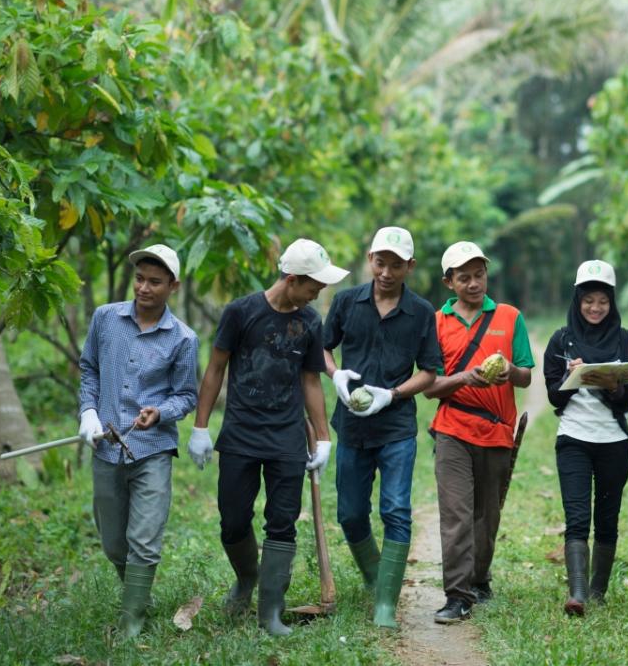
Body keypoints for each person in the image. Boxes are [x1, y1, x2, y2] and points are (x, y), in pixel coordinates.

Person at [187, 238, 348, 636]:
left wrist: (323, 437)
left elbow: (310, 380)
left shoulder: (310, 321)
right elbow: (215, 369)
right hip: (240, 433)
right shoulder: (241, 312)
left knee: (282, 522)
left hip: (286, 438)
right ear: (292, 279)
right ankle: (246, 579)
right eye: (314, 285)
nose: (319, 292)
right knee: (233, 520)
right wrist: (200, 427)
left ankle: (270, 613)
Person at [77, 244, 199, 639]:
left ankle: (132, 620)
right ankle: (138, 593)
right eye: (140, 279)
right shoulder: (105, 319)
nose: (144, 288)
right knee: (114, 543)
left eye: (155, 282)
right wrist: (88, 412)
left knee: (143, 539)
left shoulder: (182, 338)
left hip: (153, 449)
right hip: (106, 446)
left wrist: (160, 412)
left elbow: (186, 395)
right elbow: (89, 369)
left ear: (173, 286)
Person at [323, 226, 443, 628]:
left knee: (395, 509)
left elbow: (429, 373)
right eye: (380, 262)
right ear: (370, 259)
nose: (386, 272)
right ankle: (376, 577)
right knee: (350, 514)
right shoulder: (345, 302)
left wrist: (391, 395)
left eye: (396, 265)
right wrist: (336, 374)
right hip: (352, 428)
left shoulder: (422, 312)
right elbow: (323, 347)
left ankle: (386, 604)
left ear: (409, 266)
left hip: (395, 427)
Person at [424, 241, 534, 624]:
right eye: (464, 277)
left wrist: (509, 371)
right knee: (456, 514)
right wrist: (465, 378)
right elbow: (429, 386)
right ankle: (457, 595)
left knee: (487, 516)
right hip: (452, 428)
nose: (474, 283)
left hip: (497, 430)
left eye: (479, 275)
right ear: (449, 282)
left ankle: (480, 578)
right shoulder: (437, 322)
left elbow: (525, 375)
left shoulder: (509, 316)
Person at [542, 260, 628, 616]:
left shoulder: (624, 339)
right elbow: (554, 396)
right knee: (577, 517)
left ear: (611, 302)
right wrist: (573, 378)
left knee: (608, 517)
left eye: (602, 300)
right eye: (588, 300)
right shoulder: (561, 339)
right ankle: (578, 595)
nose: (595, 308)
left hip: (614, 440)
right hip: (573, 438)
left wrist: (614, 386)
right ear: (577, 300)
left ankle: (598, 591)